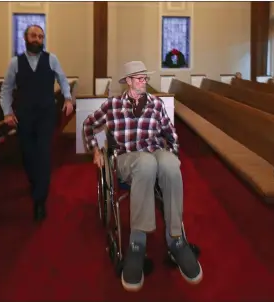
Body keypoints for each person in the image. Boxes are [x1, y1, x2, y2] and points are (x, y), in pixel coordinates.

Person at [83, 61, 203, 291]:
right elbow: (88, 126)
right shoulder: (113, 106)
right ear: (127, 81)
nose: (143, 82)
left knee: (170, 164)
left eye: (145, 78)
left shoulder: (156, 105)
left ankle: (176, 239)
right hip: (127, 158)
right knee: (146, 163)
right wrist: (95, 150)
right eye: (138, 78)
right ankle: (137, 244)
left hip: (154, 152)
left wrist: (173, 151)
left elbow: (171, 133)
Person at [0, 24, 74, 222]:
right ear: (26, 38)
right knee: (28, 154)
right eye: (34, 36)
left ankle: (40, 200)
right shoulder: (15, 63)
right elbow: (6, 89)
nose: (37, 40)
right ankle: (35, 183)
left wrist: (67, 98)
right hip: (24, 115)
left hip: (46, 114)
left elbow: (63, 80)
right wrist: (7, 112)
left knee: (43, 153)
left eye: (41, 37)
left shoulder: (52, 59)